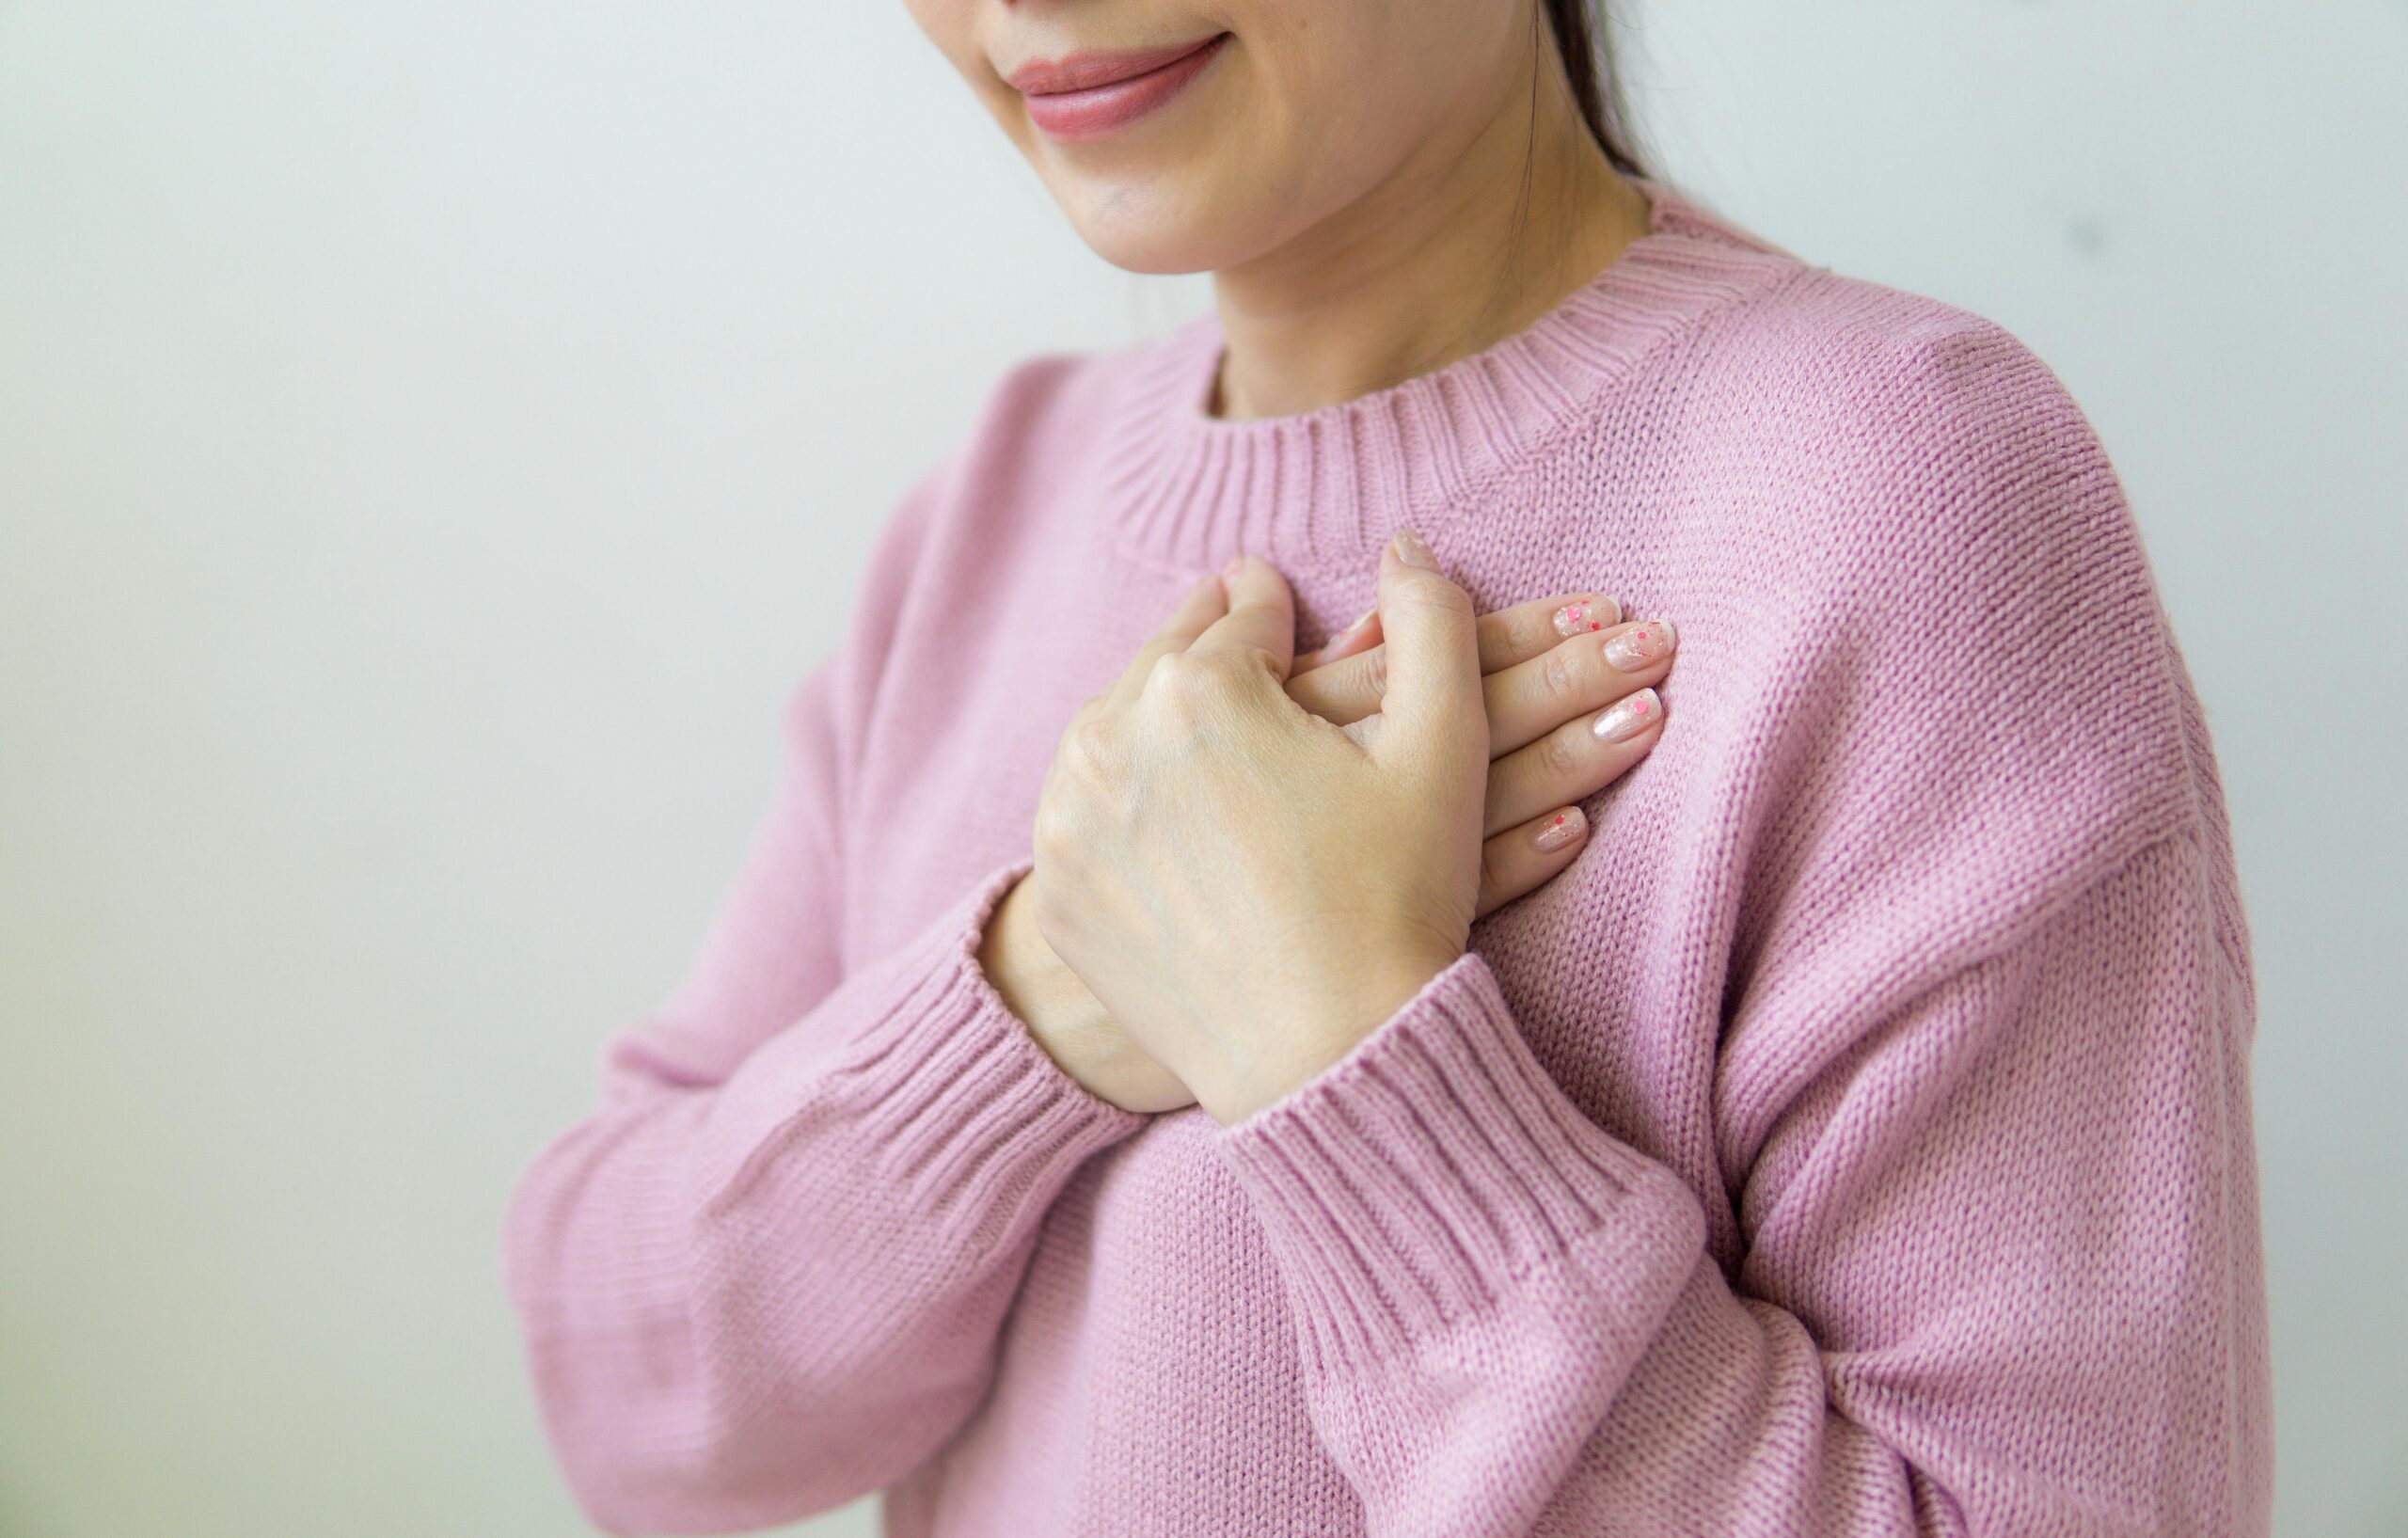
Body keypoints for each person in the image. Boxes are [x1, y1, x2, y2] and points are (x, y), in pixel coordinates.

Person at [501, 4, 2272, 1534]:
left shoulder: (1899, 499)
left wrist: (1350, 1055)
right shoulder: (994, 509)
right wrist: (1049, 991)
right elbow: (624, 1390)